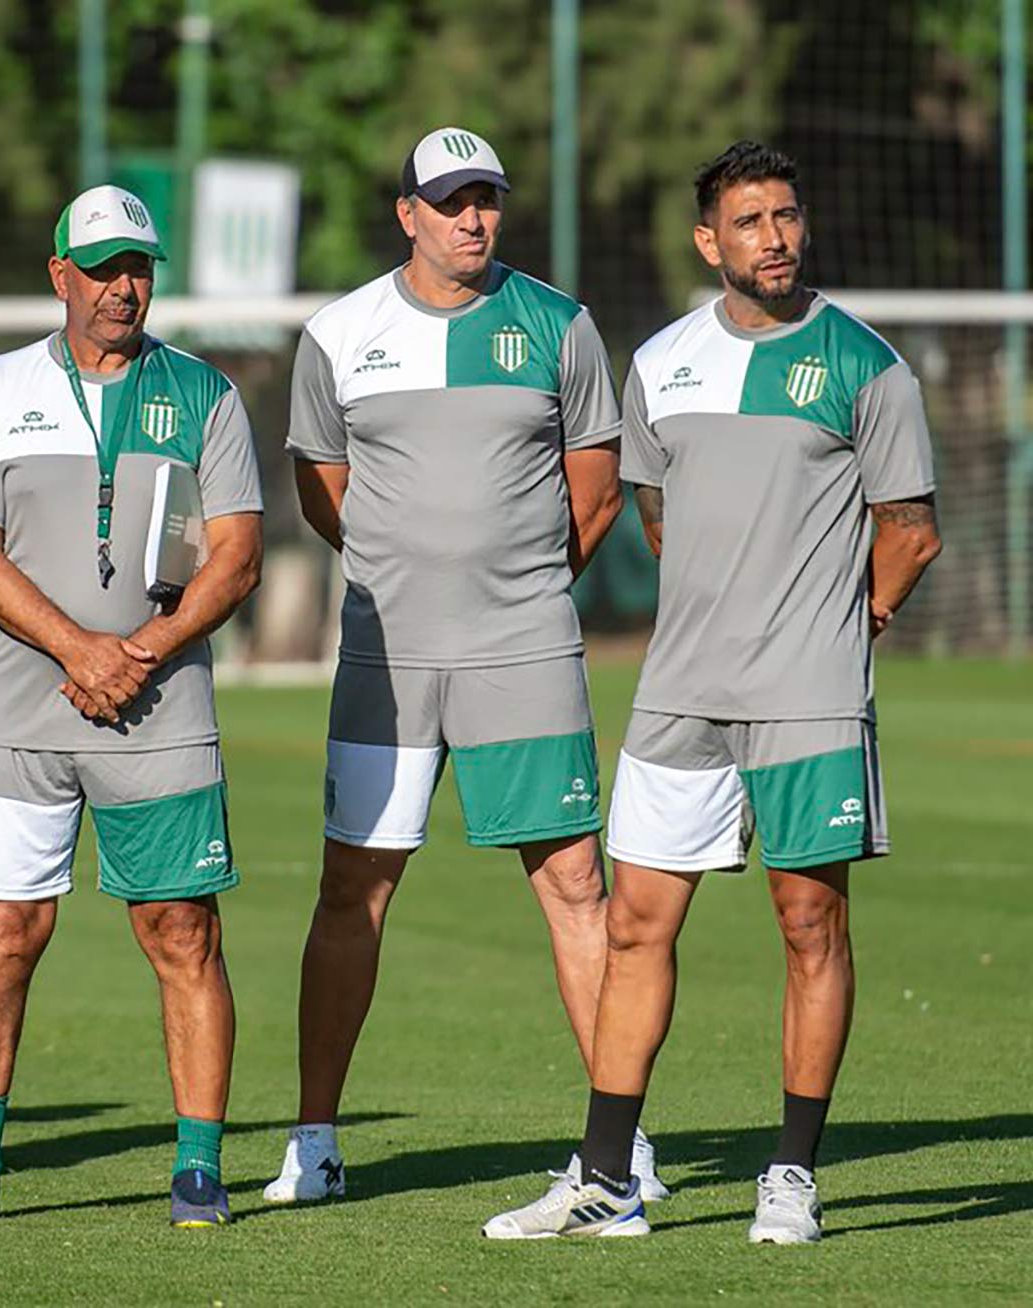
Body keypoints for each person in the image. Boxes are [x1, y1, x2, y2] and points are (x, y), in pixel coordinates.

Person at [484, 140, 941, 1242]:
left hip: (809, 695)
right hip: (680, 692)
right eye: (749, 222)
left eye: (786, 216)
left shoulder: (867, 365)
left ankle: (790, 1174)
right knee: (637, 925)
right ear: (710, 242)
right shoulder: (661, 362)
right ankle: (606, 1179)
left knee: (808, 922)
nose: (774, 238)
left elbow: (912, 533)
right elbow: (656, 514)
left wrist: (851, 623)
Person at [263, 126, 668, 1205]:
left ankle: (617, 1152)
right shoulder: (338, 333)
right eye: (450, 201)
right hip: (385, 655)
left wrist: (519, 586)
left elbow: (597, 488)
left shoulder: (559, 324)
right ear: (408, 215)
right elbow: (321, 488)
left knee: (577, 884)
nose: (472, 218)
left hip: (524, 648)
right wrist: (409, 574)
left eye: (486, 197)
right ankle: (314, 1142)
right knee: (354, 885)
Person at [0, 185, 264, 1228]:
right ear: (59, 274)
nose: (126, 286)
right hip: (24, 711)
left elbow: (237, 557)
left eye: (141, 267)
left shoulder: (205, 393)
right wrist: (79, 648)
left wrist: (141, 650)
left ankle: (198, 1170)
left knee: (182, 931)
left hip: (163, 709)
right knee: (4, 932)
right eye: (105, 267)